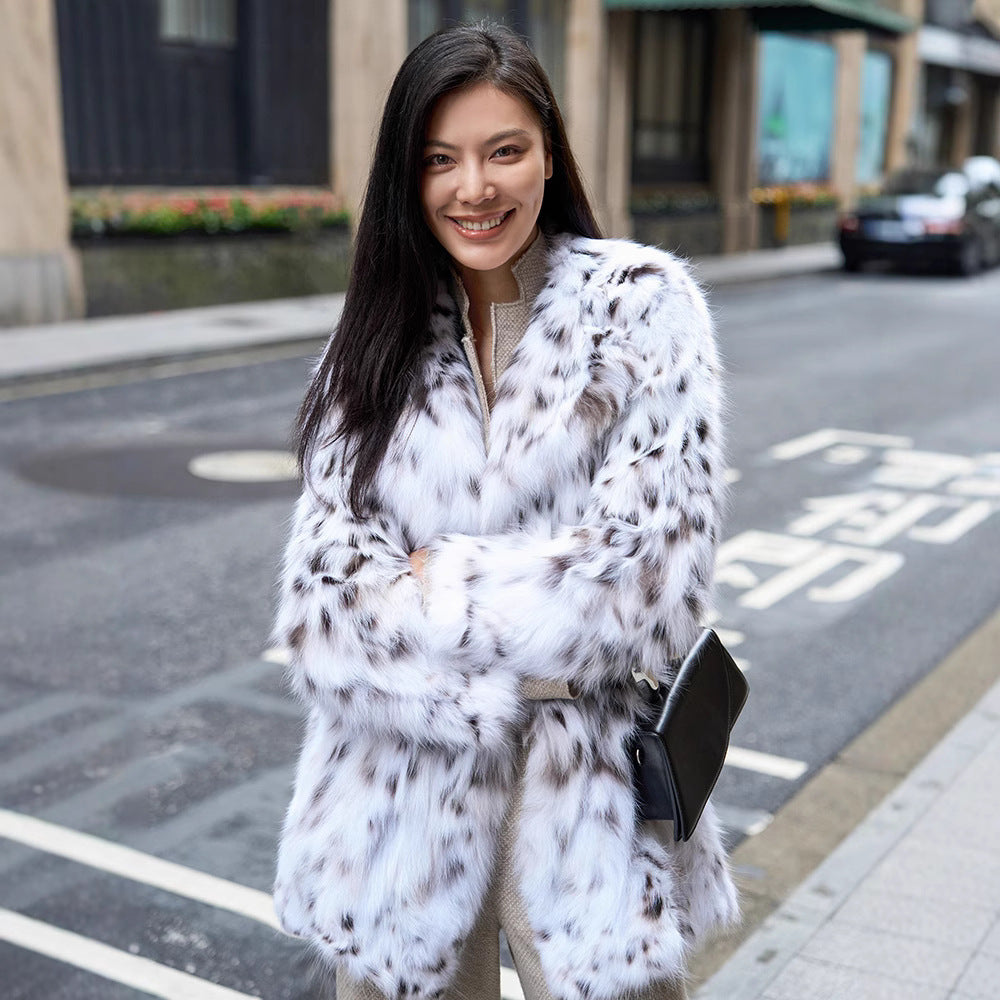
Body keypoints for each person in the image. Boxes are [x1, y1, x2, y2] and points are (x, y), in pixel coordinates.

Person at [272, 21, 737, 1000]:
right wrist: (512, 625)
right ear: (408, 177)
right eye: (440, 159)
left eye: (503, 151)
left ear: (549, 156)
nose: (472, 187)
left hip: (586, 778)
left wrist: (441, 578)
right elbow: (325, 608)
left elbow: (649, 572)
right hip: (399, 788)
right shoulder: (371, 344)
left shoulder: (639, 305)